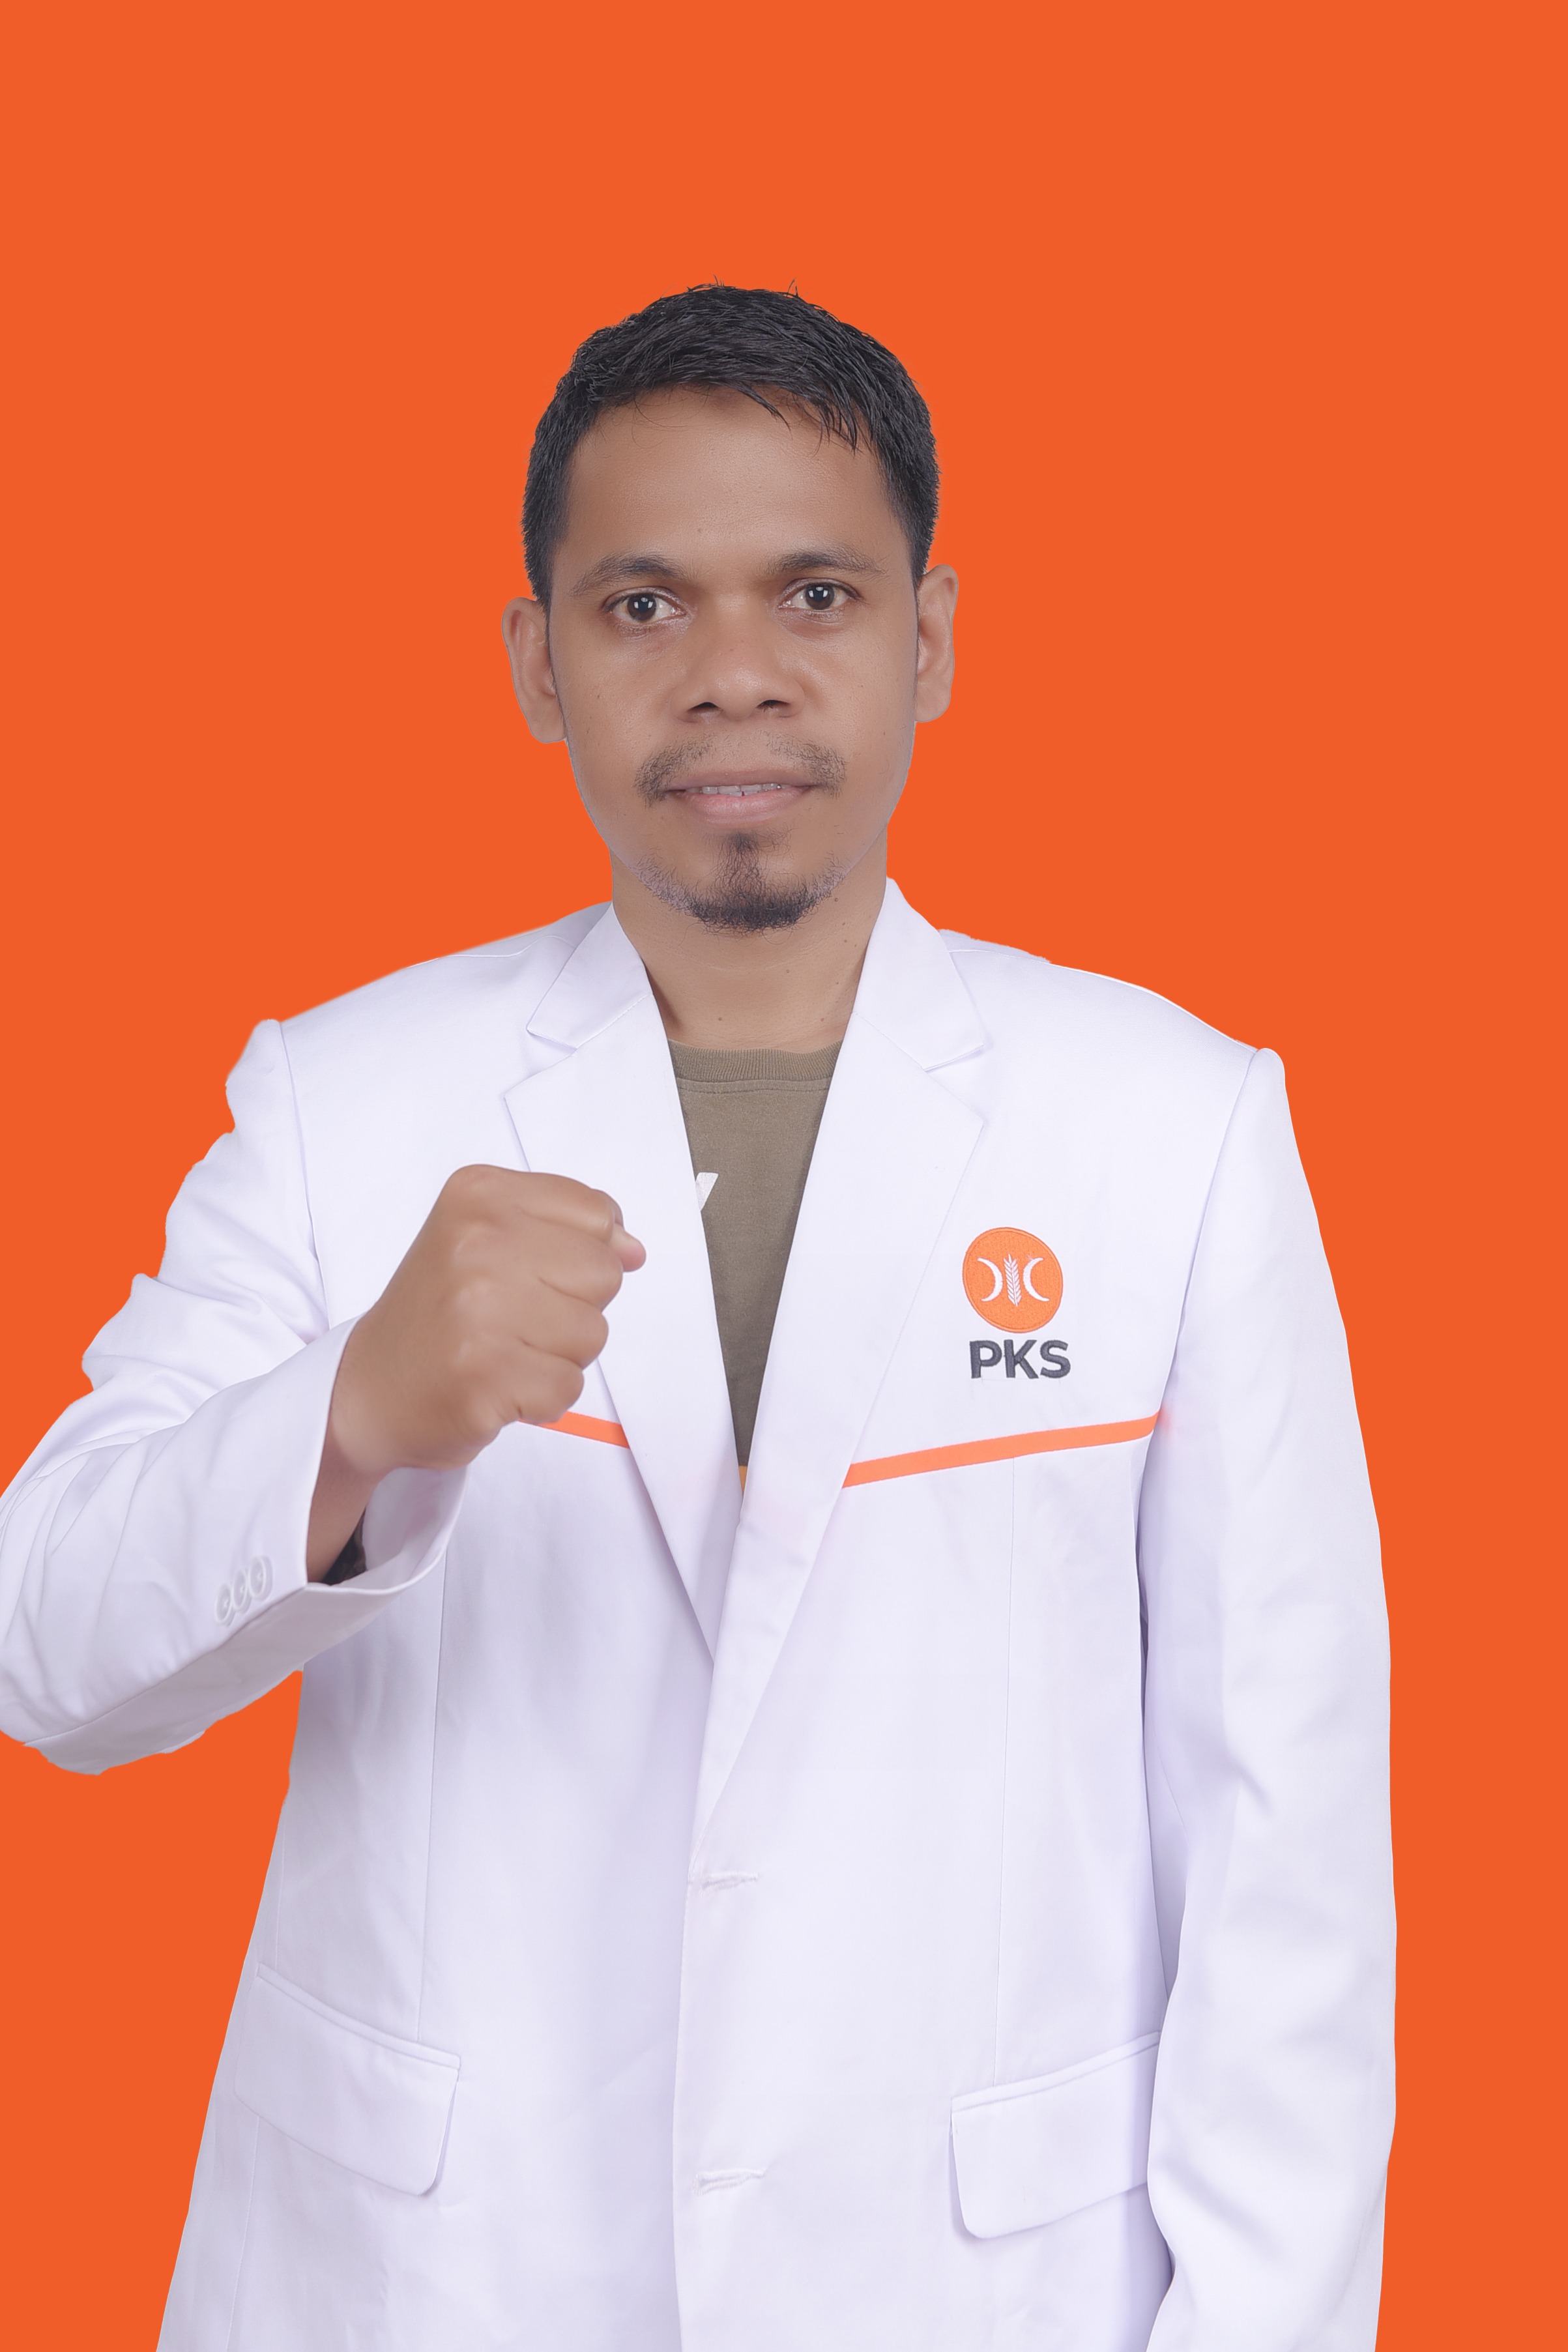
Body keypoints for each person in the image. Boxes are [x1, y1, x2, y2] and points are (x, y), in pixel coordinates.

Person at [0, 285, 1393, 2352]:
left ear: (929, 639)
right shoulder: (341, 1101)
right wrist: (351, 1415)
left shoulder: (1171, 1128)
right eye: (643, 605)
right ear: (536, 662)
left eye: (816, 593)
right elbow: (45, 1648)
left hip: (974, 2290)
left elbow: (1288, 1858)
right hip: (434, 2282)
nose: (734, 673)